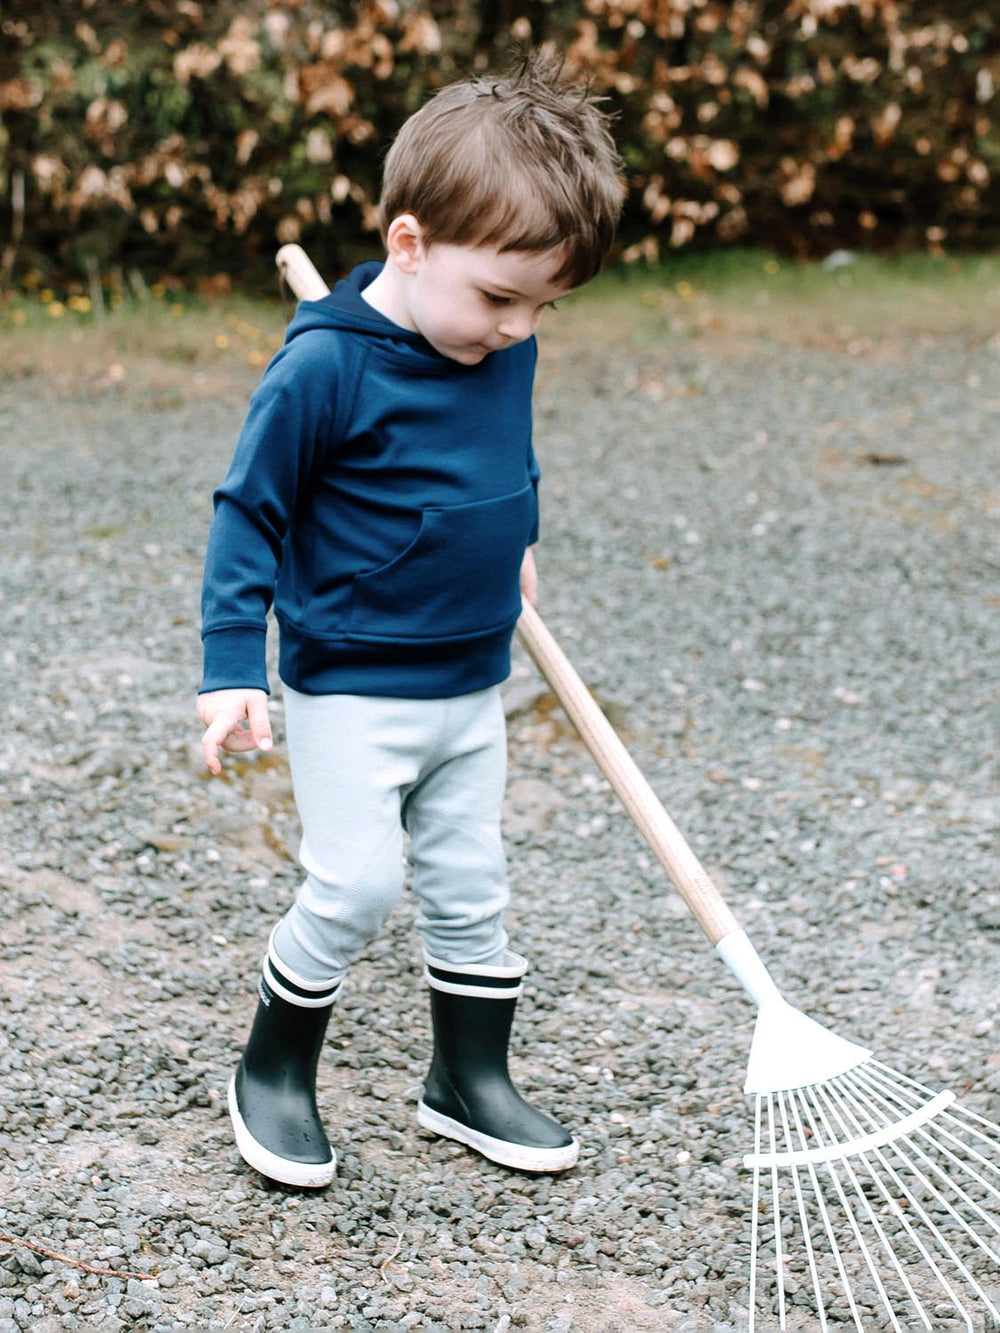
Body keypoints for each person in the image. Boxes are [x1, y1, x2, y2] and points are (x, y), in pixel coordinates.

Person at [197, 51, 624, 1188]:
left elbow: (503, 455)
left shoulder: (489, 341)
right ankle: (273, 1071)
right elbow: (248, 511)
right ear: (407, 243)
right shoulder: (324, 369)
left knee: (473, 882)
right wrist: (232, 665)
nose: (520, 329)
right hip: (352, 684)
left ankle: (466, 1080)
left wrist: (514, 535)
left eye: (544, 305)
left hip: (471, 681)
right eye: (501, 296)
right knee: (356, 884)